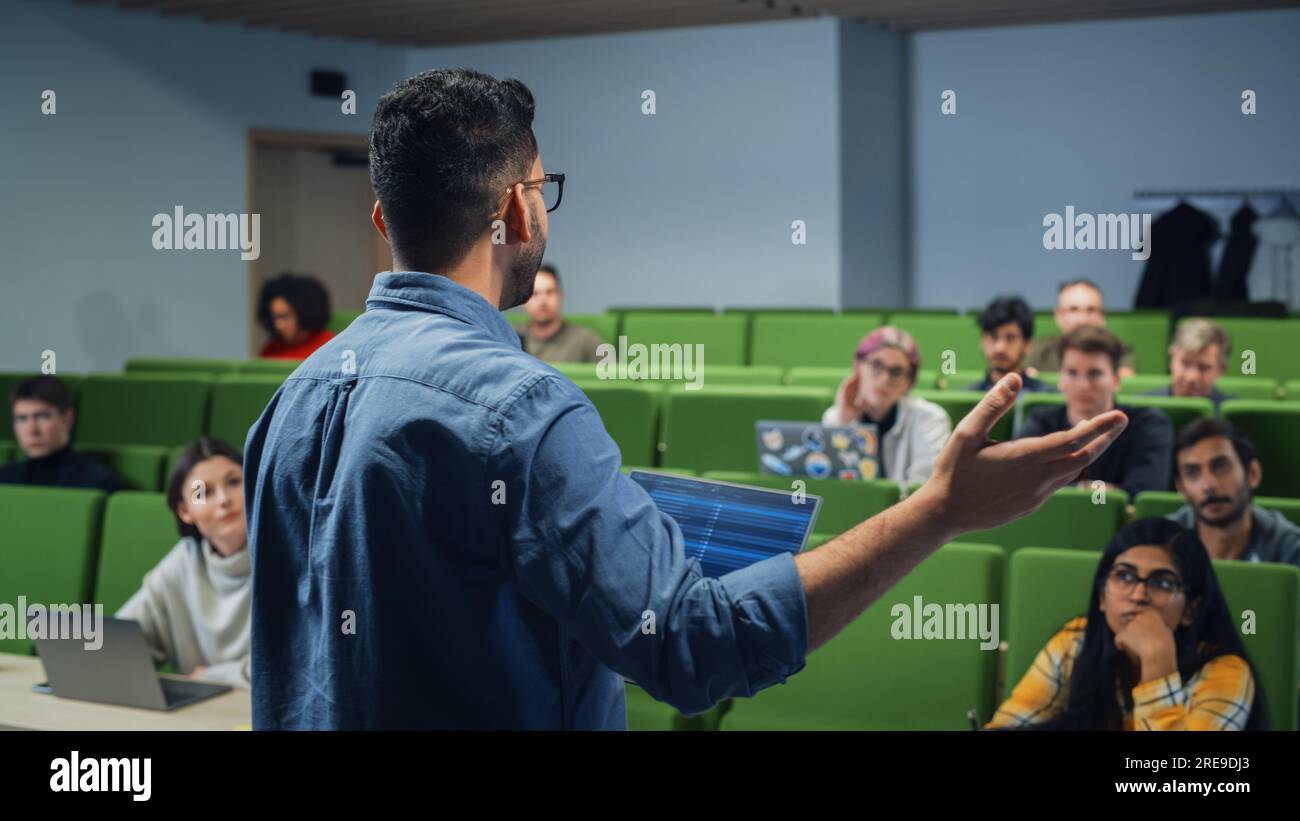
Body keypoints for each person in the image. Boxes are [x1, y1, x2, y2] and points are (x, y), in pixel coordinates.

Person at [243, 68, 1127, 730]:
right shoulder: (521, 411)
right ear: (518, 211)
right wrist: (939, 511)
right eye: (543, 191)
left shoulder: (287, 401)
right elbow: (695, 646)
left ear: (380, 220)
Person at [989, 518, 1264, 730]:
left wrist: (1157, 663)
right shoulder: (1076, 641)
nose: (1138, 595)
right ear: (1102, 597)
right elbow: (1009, 724)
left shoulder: (1227, 673)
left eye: (1162, 582)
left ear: (1190, 609)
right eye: (1124, 576)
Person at [117, 437, 251, 688]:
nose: (223, 499)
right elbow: (123, 642)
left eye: (234, 482)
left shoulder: (290, 555)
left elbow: (302, 659)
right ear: (184, 511)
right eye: (204, 492)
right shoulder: (183, 561)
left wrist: (216, 676)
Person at [1017, 326, 1172, 497]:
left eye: (1095, 374)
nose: (1083, 385)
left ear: (1116, 380)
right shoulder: (1040, 421)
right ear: (1060, 378)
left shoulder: (1149, 425)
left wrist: (1081, 492)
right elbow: (1017, 482)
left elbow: (1142, 494)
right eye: (1072, 372)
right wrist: (1095, 490)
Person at [823, 326, 952, 487]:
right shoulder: (835, 417)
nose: (884, 379)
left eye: (896, 372)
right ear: (857, 368)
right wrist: (843, 425)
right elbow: (832, 488)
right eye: (876, 365)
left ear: (909, 383)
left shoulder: (930, 419)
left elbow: (924, 492)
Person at [1168, 419, 1300, 569]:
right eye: (1192, 473)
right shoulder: (1160, 544)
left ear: (1252, 474)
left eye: (1221, 467)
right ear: (1181, 488)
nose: (1209, 485)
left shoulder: (1291, 551)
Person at [0, 375, 123, 493]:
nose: (32, 430)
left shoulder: (98, 482)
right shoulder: (4, 479)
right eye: (22, 419)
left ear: (67, 419)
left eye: (42, 416)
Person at [1026, 279, 1137, 378]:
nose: (1082, 319)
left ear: (1102, 316)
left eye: (1091, 310)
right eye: (1073, 310)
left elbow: (1124, 384)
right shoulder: (1038, 350)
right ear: (1058, 315)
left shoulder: (1119, 351)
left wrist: (1040, 379)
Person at [1143, 318, 1233, 415]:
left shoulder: (1234, 417)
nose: (1192, 377)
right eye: (1185, 364)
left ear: (1222, 369)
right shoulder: (1141, 409)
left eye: (1204, 367)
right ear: (1171, 359)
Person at [965, 296, 1055, 393]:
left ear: (1027, 344)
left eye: (1010, 338)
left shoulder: (1047, 399)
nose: (1000, 348)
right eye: (993, 337)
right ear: (983, 341)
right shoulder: (965, 399)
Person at [519, 263, 602, 363]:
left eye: (549, 292)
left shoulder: (585, 340)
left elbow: (615, 375)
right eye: (534, 294)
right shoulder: (511, 339)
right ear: (522, 300)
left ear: (560, 295)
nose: (543, 301)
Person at [256, 273, 336, 359]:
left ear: (304, 312)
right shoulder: (271, 350)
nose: (278, 325)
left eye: (285, 316)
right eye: (274, 317)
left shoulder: (329, 345)